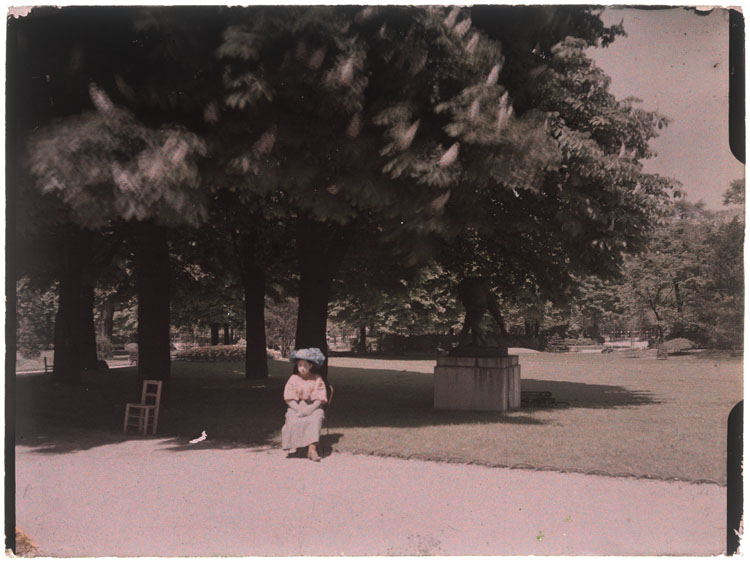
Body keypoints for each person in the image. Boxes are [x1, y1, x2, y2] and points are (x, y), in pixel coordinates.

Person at [281, 347, 328, 461]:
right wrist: (298, 409)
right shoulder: (293, 378)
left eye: (305, 365)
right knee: (292, 418)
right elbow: (289, 397)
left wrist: (311, 409)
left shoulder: (317, 378)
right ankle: (299, 447)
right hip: (297, 406)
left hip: (314, 406)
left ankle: (312, 450)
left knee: (315, 418)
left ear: (311, 366)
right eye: (300, 365)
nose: (302, 368)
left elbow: (320, 397)